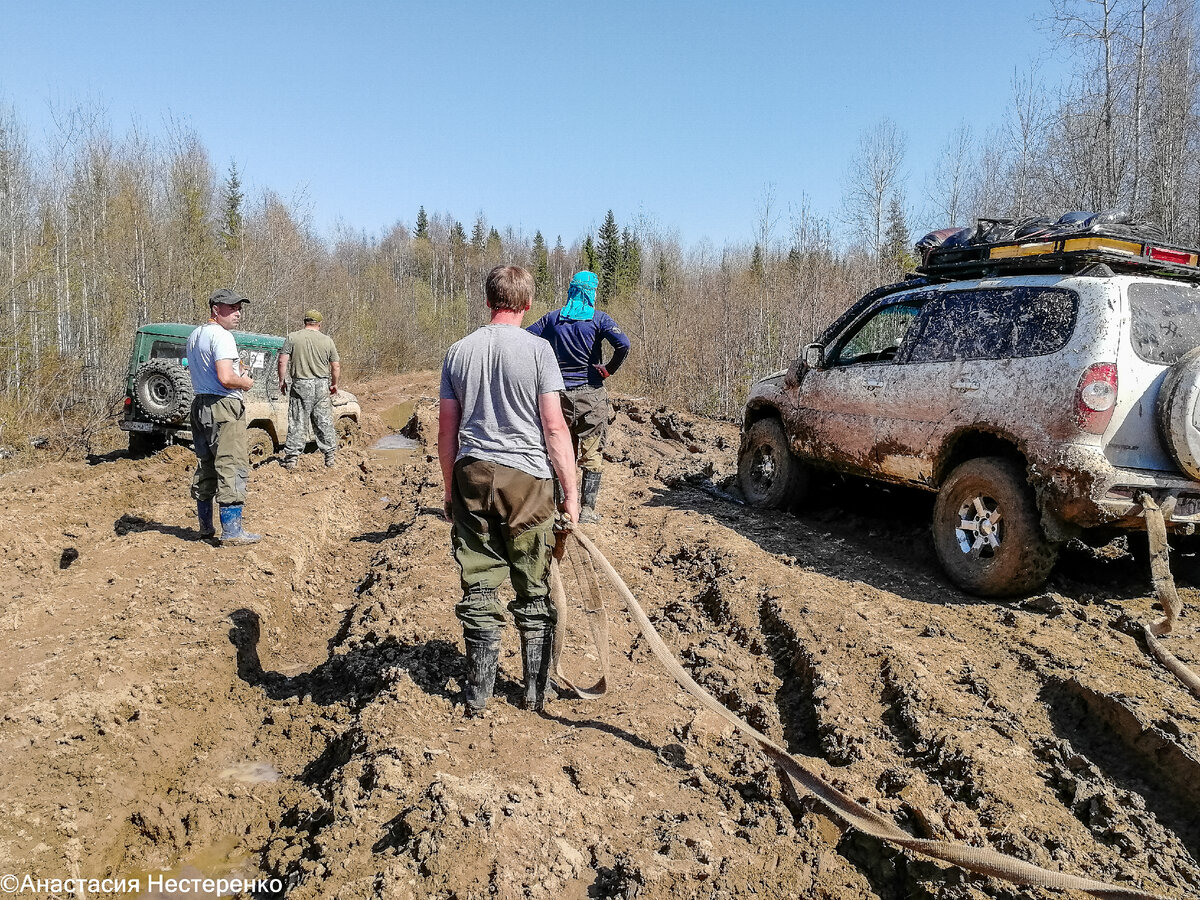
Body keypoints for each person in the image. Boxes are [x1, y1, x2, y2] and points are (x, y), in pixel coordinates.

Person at [439, 265, 580, 717]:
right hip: (527, 481)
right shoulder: (539, 351)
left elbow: (447, 432)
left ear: (488, 301)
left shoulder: (458, 352)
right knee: (533, 585)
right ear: (526, 305)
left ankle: (478, 695)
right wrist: (571, 494)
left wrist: (449, 489)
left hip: (472, 473)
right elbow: (555, 428)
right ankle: (534, 694)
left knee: (479, 584)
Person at [526, 270, 631, 523]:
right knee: (592, 453)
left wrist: (542, 367)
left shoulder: (553, 319)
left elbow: (526, 337)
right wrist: (608, 369)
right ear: (591, 293)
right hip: (591, 396)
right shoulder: (599, 319)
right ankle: (588, 510)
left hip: (558, 396)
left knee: (561, 451)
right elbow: (623, 344)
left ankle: (562, 506)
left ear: (571, 290)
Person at [186, 288, 261, 545]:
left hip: (200, 404)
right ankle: (232, 531)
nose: (238, 313)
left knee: (206, 464)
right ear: (216, 310)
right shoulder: (223, 336)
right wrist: (245, 382)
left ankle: (205, 528)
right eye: (232, 308)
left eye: (239, 307)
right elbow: (226, 378)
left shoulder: (195, 335)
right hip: (223, 406)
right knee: (231, 464)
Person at [278, 309, 341, 469]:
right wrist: (334, 384)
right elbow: (335, 365)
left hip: (300, 384)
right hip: (321, 385)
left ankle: (292, 459)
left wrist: (282, 380)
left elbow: (282, 361)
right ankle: (330, 458)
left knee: (298, 420)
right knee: (324, 421)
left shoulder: (292, 337)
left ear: (305, 321)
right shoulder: (327, 341)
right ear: (319, 323)